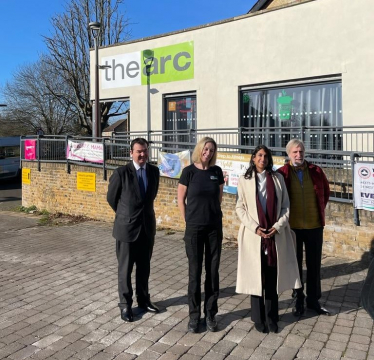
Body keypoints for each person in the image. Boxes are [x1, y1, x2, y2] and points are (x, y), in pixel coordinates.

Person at [236, 145, 301, 333]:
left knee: (272, 278)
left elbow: (286, 207)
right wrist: (255, 228)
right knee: (256, 277)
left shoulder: (277, 178)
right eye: (259, 155)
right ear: (253, 158)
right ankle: (258, 318)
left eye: (265, 156)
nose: (262, 159)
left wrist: (277, 226)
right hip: (254, 235)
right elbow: (240, 208)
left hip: (274, 235)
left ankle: (272, 317)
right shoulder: (245, 179)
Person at [107, 137, 160, 322]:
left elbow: (150, 197)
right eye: (139, 151)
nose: (142, 154)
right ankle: (125, 305)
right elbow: (112, 199)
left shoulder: (154, 171)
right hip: (126, 229)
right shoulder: (121, 173)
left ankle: (144, 300)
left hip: (147, 228)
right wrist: (125, 216)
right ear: (131, 153)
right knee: (125, 269)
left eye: (145, 150)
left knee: (144, 268)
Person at [278, 139, 330, 316]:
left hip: (315, 226)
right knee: (296, 265)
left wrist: (318, 211)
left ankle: (313, 300)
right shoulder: (282, 174)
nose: (298, 155)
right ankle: (298, 299)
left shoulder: (316, 171)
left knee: (314, 265)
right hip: (293, 228)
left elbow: (326, 192)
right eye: (295, 152)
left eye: (301, 151)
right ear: (288, 154)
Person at [177, 137, 224, 333]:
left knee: (212, 273)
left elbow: (219, 197)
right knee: (194, 274)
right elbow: (181, 199)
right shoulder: (189, 172)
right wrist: (188, 220)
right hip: (194, 229)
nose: (208, 153)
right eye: (206, 149)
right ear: (200, 149)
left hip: (214, 228)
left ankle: (211, 315)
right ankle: (194, 316)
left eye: (212, 150)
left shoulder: (216, 172)